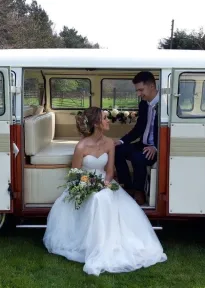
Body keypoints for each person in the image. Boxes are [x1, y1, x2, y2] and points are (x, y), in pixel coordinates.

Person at [43, 106, 167, 276]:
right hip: (85, 184)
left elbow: (110, 170)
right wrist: (91, 184)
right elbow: (75, 175)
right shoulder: (81, 147)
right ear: (96, 123)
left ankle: (110, 243)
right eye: (105, 118)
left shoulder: (109, 143)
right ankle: (97, 245)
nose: (108, 121)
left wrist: (105, 183)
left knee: (104, 197)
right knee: (96, 199)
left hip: (106, 182)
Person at [114, 71, 159, 205]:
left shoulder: (166, 104)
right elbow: (139, 128)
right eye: (137, 91)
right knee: (118, 150)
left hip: (157, 148)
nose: (138, 94)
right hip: (142, 144)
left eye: (141, 90)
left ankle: (139, 191)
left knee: (138, 157)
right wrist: (121, 141)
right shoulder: (144, 104)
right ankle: (127, 187)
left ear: (152, 86)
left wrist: (156, 147)